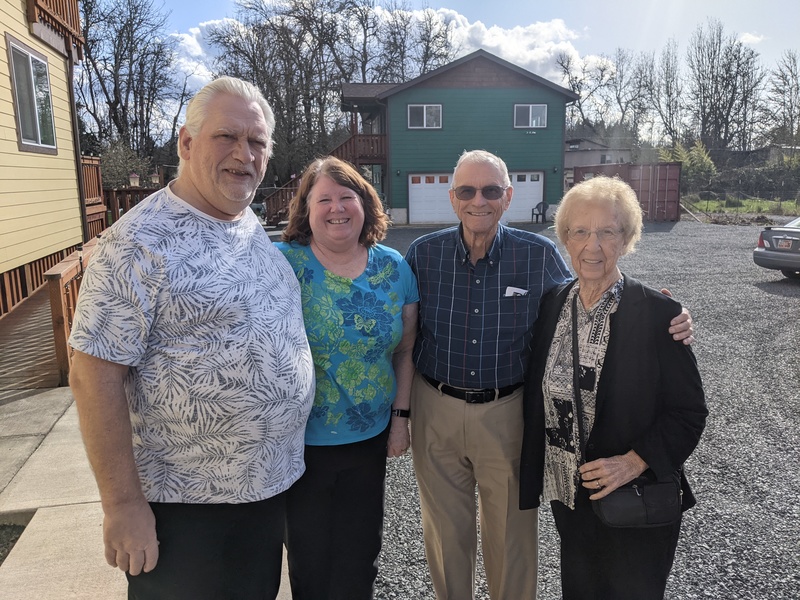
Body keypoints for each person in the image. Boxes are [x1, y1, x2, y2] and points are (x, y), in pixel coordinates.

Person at [404, 150, 694, 600]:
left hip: (506, 412)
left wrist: (670, 314)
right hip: (439, 410)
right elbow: (399, 330)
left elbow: (598, 282)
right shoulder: (423, 254)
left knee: (511, 537)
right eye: (467, 190)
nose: (478, 200)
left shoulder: (537, 256)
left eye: (491, 190)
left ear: (508, 197)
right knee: (444, 533)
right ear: (452, 197)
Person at [68, 77, 315, 599]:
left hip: (265, 494)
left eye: (257, 142)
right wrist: (122, 504)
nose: (243, 154)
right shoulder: (135, 243)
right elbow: (93, 377)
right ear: (186, 144)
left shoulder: (247, 225)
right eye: (227, 137)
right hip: (184, 508)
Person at [519, 175, 708, 599]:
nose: (593, 245)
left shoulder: (659, 313)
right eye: (581, 231)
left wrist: (635, 461)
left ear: (627, 239)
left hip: (635, 498)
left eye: (608, 232)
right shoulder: (552, 304)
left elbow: (690, 412)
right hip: (571, 496)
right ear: (565, 239)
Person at [275, 156, 419, 599]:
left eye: (346, 197)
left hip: (369, 437)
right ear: (306, 210)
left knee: (360, 555)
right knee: (309, 558)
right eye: (324, 199)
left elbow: (406, 349)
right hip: (300, 442)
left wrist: (400, 419)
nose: (336, 208)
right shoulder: (283, 263)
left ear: (365, 204)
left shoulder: (394, 267)